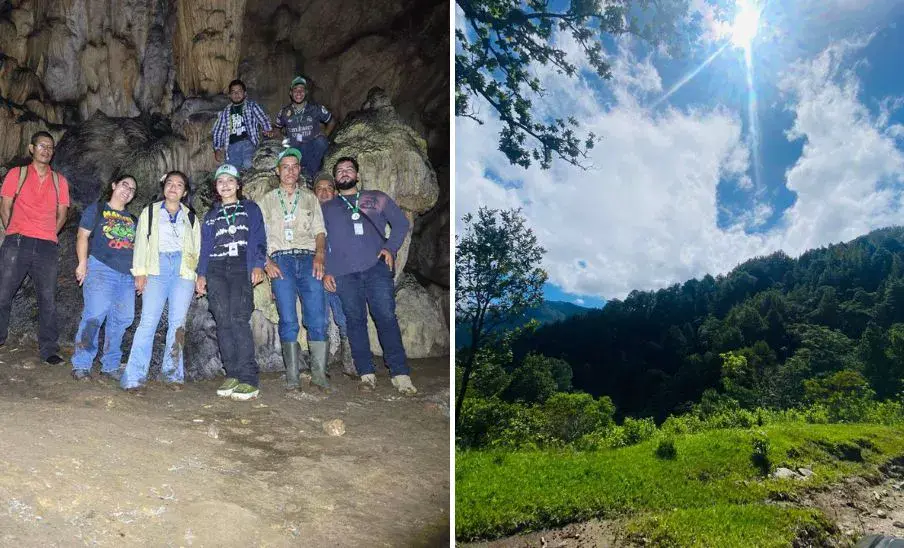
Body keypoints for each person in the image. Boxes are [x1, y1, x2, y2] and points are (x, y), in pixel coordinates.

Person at [321, 157, 416, 395]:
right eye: (339, 171)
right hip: (344, 273)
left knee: (386, 317)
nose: (344, 173)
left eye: (349, 169)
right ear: (335, 178)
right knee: (355, 321)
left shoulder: (376, 197)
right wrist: (328, 270)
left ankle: (400, 373)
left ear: (357, 175)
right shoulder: (328, 207)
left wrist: (390, 248)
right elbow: (323, 241)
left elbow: (401, 224)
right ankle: (366, 373)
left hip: (376, 267)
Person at [120, 171, 201, 394]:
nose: (173, 187)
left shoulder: (191, 217)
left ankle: (172, 374)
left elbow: (196, 249)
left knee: (178, 324)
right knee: (148, 322)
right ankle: (134, 377)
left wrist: (194, 275)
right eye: (170, 183)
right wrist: (140, 272)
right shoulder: (150, 212)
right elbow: (140, 243)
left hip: (183, 271)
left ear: (184, 192)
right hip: (156, 267)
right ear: (164, 187)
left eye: (179, 185)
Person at [259, 148, 330, 392]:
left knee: (317, 317)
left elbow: (320, 231)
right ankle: (292, 377)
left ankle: (319, 375)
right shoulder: (267, 200)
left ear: (299, 170)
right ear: (277, 171)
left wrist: (320, 255)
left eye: (294, 166)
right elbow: (259, 236)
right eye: (285, 167)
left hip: (309, 259)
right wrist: (266, 262)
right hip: (281, 261)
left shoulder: (310, 197)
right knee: (288, 318)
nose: (290, 171)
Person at [195, 164, 267, 401]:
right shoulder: (211, 215)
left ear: (238, 184)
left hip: (240, 265)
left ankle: (248, 377)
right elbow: (206, 246)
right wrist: (201, 274)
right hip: (216, 268)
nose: (225, 185)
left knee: (238, 318)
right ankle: (232, 373)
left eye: (230, 180)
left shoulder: (250, 208)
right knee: (223, 320)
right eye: (220, 181)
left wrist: (258, 264)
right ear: (216, 187)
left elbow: (258, 237)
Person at [0, 131, 70, 364]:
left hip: (46, 246)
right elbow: (5, 206)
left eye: (50, 147)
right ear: (31, 148)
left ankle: (49, 349)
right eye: (42, 145)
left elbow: (62, 214)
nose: (46, 150)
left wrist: (50, 234)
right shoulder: (16, 174)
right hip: (17, 241)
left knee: (47, 299)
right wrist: (13, 230)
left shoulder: (59, 181)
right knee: (3, 293)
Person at [71, 174, 138, 381]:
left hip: (127, 275)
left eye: (132, 189)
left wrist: (139, 274)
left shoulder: (134, 220)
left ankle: (110, 365)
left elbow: (139, 249)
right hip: (101, 268)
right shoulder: (98, 209)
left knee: (123, 318)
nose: (127, 190)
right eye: (124, 185)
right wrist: (82, 263)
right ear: (114, 185)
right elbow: (82, 236)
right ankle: (81, 364)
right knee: (94, 315)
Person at [312, 172, 356, 378]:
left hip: (340, 273)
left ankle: (350, 362)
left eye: (328, 188)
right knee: (319, 319)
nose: (324, 192)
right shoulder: (309, 214)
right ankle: (321, 366)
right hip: (315, 273)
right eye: (319, 189)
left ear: (335, 192)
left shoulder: (345, 214)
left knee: (344, 316)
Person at [275, 76, 336, 181]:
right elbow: (277, 128)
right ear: (291, 93)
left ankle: (309, 176)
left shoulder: (316, 108)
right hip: (294, 148)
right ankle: (305, 173)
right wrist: (283, 140)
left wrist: (326, 133)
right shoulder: (284, 112)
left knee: (321, 142)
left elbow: (332, 121)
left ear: (306, 92)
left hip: (312, 147)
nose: (298, 93)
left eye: (301, 90)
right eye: (295, 90)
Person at [212, 79, 274, 170]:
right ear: (229, 95)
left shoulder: (251, 106)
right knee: (232, 169)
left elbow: (262, 118)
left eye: (239, 91)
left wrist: (267, 129)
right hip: (231, 146)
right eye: (233, 92)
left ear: (245, 93)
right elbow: (218, 130)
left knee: (248, 163)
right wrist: (217, 148)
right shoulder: (225, 112)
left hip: (248, 143)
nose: (236, 94)